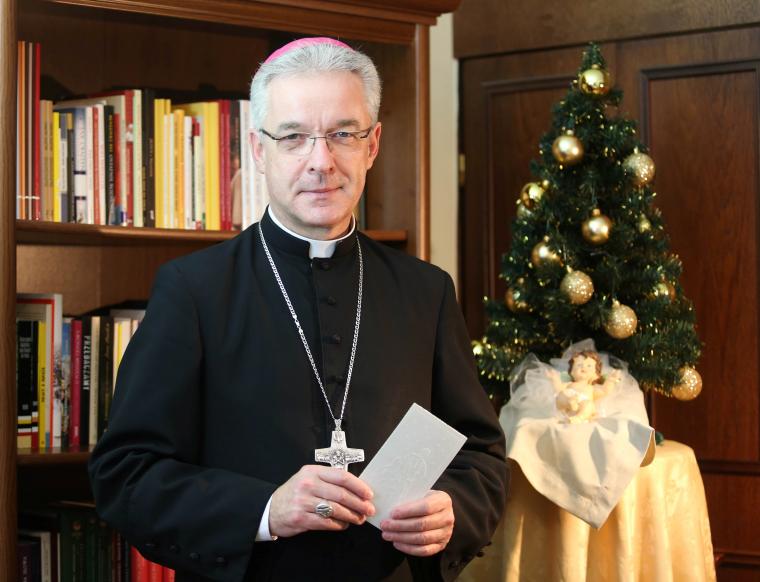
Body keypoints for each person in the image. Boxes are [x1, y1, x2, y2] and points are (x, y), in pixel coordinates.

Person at [89, 37, 507, 582]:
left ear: (373, 145)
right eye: (293, 138)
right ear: (258, 150)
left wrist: (452, 509)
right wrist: (265, 510)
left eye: (343, 134)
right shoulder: (193, 290)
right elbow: (125, 475)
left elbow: (481, 456)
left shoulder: (425, 291)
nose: (321, 162)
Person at [546, 350, 621, 423]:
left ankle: (579, 418)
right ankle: (570, 403)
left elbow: (604, 391)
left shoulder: (591, 388)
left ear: (596, 375)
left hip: (582, 406)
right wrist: (554, 379)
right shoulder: (569, 384)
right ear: (572, 372)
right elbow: (558, 389)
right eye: (579, 365)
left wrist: (611, 380)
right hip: (567, 405)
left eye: (589, 366)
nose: (583, 367)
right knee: (560, 395)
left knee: (589, 405)